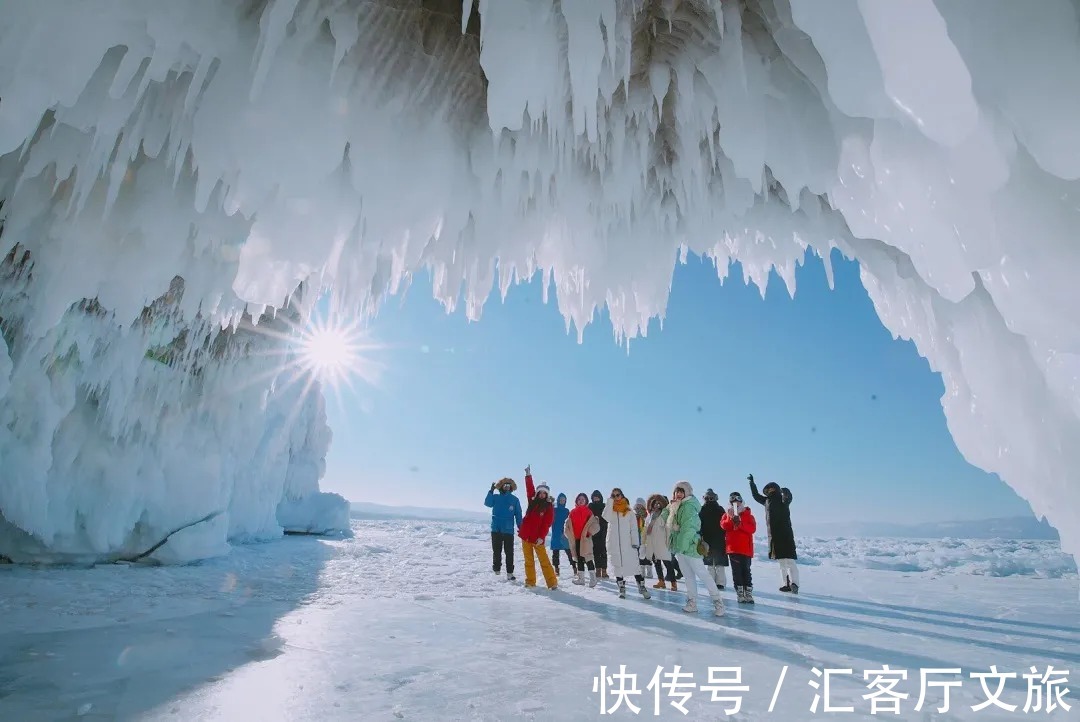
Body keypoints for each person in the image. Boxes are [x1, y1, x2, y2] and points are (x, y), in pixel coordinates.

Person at [665, 481, 724, 616]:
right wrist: (669, 506)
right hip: (680, 548)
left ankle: (718, 602)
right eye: (676, 491)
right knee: (688, 577)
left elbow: (688, 529)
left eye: (681, 491)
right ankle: (692, 603)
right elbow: (667, 520)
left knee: (703, 575)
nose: (678, 494)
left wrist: (681, 545)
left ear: (687, 493)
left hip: (690, 547)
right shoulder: (677, 506)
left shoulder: (689, 506)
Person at [748, 474, 799, 593]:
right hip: (774, 536)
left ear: (777, 489)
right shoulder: (766, 501)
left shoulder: (783, 499)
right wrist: (752, 484)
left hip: (786, 534)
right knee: (781, 562)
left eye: (773, 489)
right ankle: (786, 584)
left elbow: (789, 498)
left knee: (790, 561)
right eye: (769, 489)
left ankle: (795, 583)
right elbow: (755, 496)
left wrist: (785, 491)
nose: (771, 491)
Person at [603, 488, 652, 600]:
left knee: (634, 566)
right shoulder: (611, 511)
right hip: (615, 544)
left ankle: (642, 587)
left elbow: (634, 529)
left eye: (618, 495)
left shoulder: (629, 512)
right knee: (618, 567)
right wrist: (610, 502)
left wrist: (635, 543)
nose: (616, 497)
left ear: (622, 495)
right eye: (613, 495)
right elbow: (605, 517)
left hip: (628, 544)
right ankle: (622, 588)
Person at [518, 465, 558, 589]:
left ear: (547, 494)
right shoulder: (532, 501)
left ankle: (552, 583)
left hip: (538, 539)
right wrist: (528, 475)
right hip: (526, 536)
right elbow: (529, 488)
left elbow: (547, 523)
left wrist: (541, 537)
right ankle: (530, 582)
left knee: (544, 561)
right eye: (539, 492)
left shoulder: (549, 507)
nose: (541, 494)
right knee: (528, 561)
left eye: (544, 493)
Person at [721, 491, 757, 603]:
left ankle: (748, 593)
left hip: (745, 548)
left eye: (737, 501)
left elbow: (752, 529)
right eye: (733, 501)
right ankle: (740, 593)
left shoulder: (748, 514)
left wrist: (740, 523)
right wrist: (731, 519)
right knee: (736, 571)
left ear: (741, 501)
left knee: (746, 570)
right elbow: (724, 526)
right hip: (733, 548)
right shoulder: (727, 514)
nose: (735, 503)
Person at [485, 475, 522, 581]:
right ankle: (496, 570)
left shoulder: (514, 500)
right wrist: (491, 492)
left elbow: (518, 514)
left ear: (511, 487)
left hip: (508, 530)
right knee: (496, 551)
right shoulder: (496, 497)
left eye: (508, 485)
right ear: (501, 486)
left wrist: (521, 527)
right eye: (505, 485)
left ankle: (510, 572)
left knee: (509, 552)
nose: (506, 487)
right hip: (496, 528)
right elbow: (488, 503)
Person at [565, 492, 600, 587]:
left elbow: (595, 524)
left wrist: (589, 532)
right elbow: (568, 525)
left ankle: (593, 579)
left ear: (586, 501)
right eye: (579, 499)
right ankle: (581, 579)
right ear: (576, 501)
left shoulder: (588, 512)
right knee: (579, 559)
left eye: (583, 499)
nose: (581, 501)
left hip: (585, 539)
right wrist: (567, 532)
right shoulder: (572, 512)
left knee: (588, 557)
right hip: (576, 539)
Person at [644, 494, 678, 591]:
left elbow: (668, 528)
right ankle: (661, 581)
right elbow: (647, 528)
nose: (656, 506)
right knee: (656, 563)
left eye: (658, 504)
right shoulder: (650, 515)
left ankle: (673, 582)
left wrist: (668, 541)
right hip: (652, 542)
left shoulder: (664, 515)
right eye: (654, 503)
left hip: (662, 542)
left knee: (667, 563)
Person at [699, 488, 728, 591]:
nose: (709, 499)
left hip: (718, 539)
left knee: (718, 563)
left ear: (715, 498)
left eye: (711, 497)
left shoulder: (720, 509)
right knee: (710, 563)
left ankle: (720, 583)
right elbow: (699, 524)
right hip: (709, 539)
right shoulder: (702, 510)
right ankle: (713, 582)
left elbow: (725, 523)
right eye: (707, 497)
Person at [550, 493, 572, 576]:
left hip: (564, 533)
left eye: (564, 500)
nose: (562, 501)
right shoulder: (554, 510)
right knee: (555, 552)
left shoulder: (567, 511)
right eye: (561, 499)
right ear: (558, 500)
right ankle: (556, 568)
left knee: (569, 551)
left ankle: (574, 567)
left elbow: (569, 522)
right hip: (556, 533)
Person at [589, 490, 609, 577]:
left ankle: (604, 570)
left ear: (600, 497)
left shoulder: (604, 506)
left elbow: (607, 517)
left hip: (603, 530)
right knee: (595, 550)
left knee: (603, 550)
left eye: (597, 497)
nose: (596, 499)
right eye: (594, 497)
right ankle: (598, 569)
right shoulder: (590, 506)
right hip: (594, 531)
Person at [634, 498, 651, 580]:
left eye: (640, 506)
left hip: (645, 538)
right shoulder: (634, 516)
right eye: (637, 506)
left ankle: (649, 571)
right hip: (637, 537)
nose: (638, 508)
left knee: (647, 555)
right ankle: (642, 571)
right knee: (640, 555)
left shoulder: (647, 515)